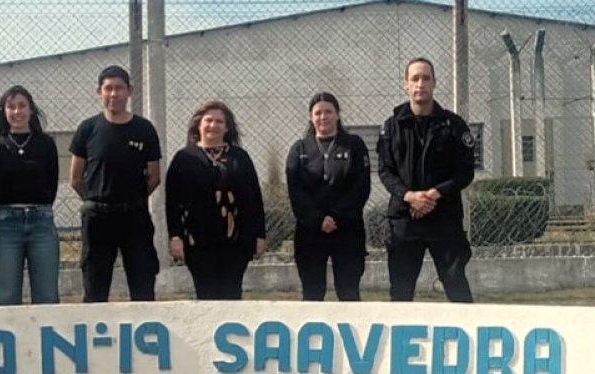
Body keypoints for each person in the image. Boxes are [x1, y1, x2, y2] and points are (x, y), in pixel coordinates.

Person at [377, 57, 476, 302]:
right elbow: (385, 171)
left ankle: (465, 335)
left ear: (434, 83)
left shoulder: (453, 125)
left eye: (426, 78)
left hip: (444, 217)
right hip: (404, 218)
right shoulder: (391, 127)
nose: (420, 83)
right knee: (400, 291)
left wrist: (433, 195)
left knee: (457, 287)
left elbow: (465, 172)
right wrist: (410, 197)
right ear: (406, 85)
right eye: (415, 79)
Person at [69, 65, 161, 302]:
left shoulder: (144, 129)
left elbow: (154, 176)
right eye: (108, 88)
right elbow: (76, 178)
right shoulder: (87, 129)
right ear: (99, 92)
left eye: (119, 88)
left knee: (143, 287)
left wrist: (133, 200)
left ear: (129, 91)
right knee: (95, 289)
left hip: (135, 218)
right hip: (98, 221)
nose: (113, 94)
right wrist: (97, 200)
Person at [165, 101, 267, 300]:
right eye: (208, 120)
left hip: (236, 242)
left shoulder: (240, 157)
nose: (213, 125)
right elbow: (172, 201)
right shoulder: (184, 158)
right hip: (198, 242)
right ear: (198, 125)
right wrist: (175, 236)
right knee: (206, 295)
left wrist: (260, 235)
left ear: (227, 127)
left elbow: (254, 198)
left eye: (219, 121)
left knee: (232, 294)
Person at [286, 92, 371, 301]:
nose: (323, 117)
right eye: (318, 113)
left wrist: (337, 217)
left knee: (349, 292)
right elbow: (295, 190)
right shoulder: (299, 149)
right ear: (310, 117)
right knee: (312, 293)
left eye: (328, 112)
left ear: (337, 115)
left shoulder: (354, 145)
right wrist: (318, 219)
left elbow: (361, 187)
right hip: (310, 231)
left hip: (347, 230)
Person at [0, 85, 60, 305]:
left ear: (31, 110)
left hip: (41, 223)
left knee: (46, 295)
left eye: (22, 106)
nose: (17, 112)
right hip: (6, 223)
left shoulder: (46, 144)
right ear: (4, 111)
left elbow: (52, 183)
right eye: (11, 106)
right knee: (7, 296)